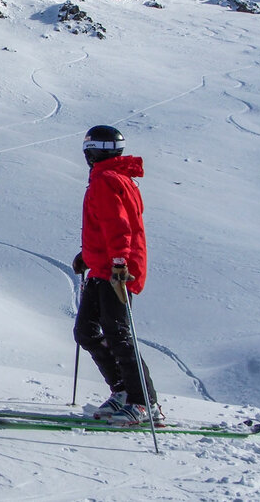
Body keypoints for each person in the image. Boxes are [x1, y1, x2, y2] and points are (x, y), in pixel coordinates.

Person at [72, 125, 164, 425]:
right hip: (104, 266)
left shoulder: (106, 180)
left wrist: (118, 262)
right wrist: (88, 256)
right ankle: (124, 391)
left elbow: (118, 225)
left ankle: (144, 402)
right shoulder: (112, 178)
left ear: (92, 151)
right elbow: (107, 225)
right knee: (86, 331)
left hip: (116, 271)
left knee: (118, 334)